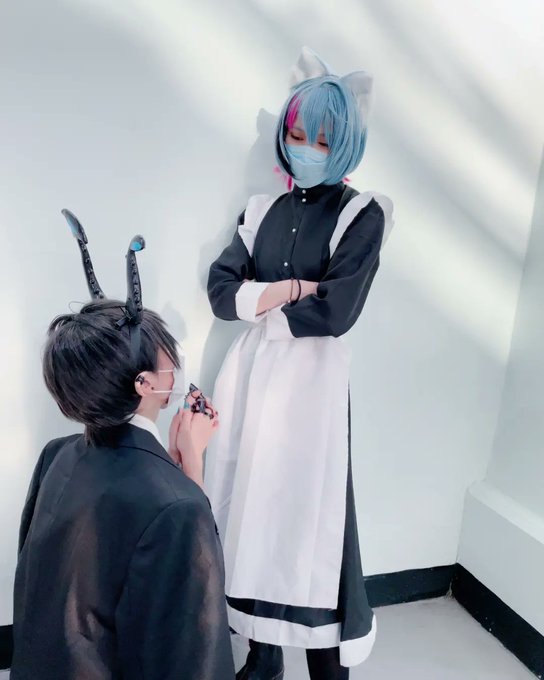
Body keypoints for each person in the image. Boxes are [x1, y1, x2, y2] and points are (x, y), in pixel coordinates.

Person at [206, 47, 394, 680]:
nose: (307, 148)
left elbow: (336, 310)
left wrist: (260, 300)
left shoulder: (363, 213)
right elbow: (220, 292)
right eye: (298, 134)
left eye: (323, 139)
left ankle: (325, 665)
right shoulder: (261, 211)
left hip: (312, 383)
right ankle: (262, 658)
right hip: (252, 376)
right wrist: (290, 290)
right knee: (250, 504)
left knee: (311, 516)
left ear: (345, 146)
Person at [11, 211, 235, 680]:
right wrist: (189, 472)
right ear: (146, 383)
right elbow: (192, 651)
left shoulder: (57, 455)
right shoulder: (177, 505)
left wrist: (178, 468)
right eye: (167, 353)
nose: (175, 361)